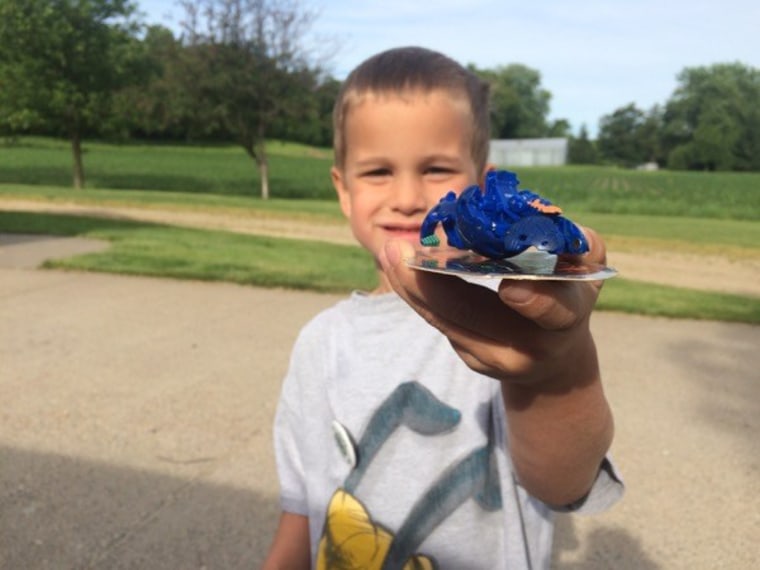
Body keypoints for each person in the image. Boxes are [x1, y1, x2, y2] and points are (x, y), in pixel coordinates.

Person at [262, 46, 623, 570]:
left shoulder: (510, 328)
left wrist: (555, 369)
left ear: (482, 184)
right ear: (343, 190)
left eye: (435, 168)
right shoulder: (321, 341)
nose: (407, 197)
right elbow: (303, 504)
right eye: (378, 171)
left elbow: (562, 483)